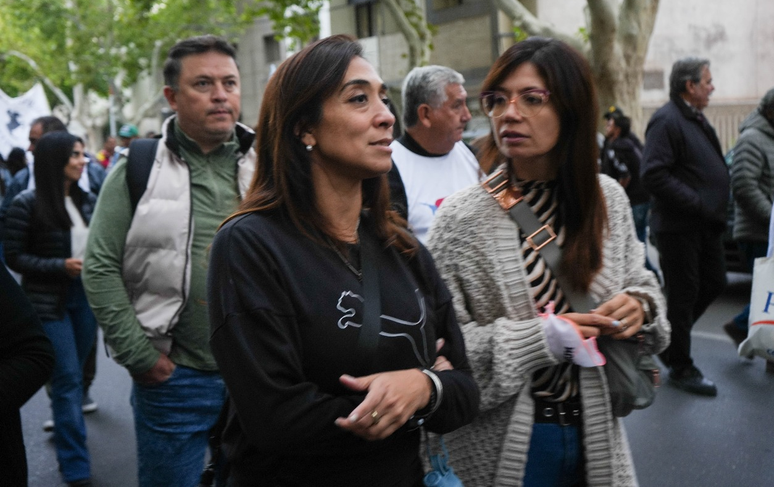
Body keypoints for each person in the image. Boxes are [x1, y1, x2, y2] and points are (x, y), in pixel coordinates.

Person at [207, 34, 479, 486]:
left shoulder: (404, 249)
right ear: (304, 128)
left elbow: (465, 392)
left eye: (384, 99)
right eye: (359, 99)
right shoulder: (249, 246)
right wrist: (417, 391)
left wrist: (423, 388)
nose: (386, 116)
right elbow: (277, 419)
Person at [428, 37, 669, 487]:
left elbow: (644, 284)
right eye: (497, 100)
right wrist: (543, 338)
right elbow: (443, 351)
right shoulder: (459, 218)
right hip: (504, 442)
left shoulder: (608, 201)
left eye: (532, 99)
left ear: (571, 109)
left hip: (597, 431)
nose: (509, 113)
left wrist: (641, 305)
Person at [82, 35, 256, 487]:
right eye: (203, 83)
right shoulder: (137, 167)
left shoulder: (268, 164)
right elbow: (99, 266)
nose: (221, 94)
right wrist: (141, 358)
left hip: (258, 379)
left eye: (229, 83)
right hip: (175, 382)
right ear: (172, 97)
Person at [3, 131, 97, 487]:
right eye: (75, 154)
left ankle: (71, 446)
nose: (82, 160)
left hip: (85, 301)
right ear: (54, 159)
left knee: (76, 379)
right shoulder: (26, 204)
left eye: (83, 154)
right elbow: (14, 257)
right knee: (68, 380)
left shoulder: (87, 199)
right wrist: (60, 266)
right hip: (47, 304)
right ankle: (76, 467)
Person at [641, 57, 729, 397]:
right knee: (683, 294)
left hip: (703, 227)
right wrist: (697, 202)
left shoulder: (693, 117)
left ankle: (668, 340)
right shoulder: (666, 120)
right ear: (689, 86)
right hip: (680, 227)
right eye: (707, 81)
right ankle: (680, 364)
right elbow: (653, 174)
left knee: (715, 282)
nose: (712, 86)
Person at [723, 86, 774, 349]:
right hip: (759, 233)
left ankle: (765, 344)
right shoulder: (752, 139)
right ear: (772, 112)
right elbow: (743, 187)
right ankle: (742, 327)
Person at [386, 65, 481, 242]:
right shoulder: (389, 170)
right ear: (425, 115)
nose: (467, 116)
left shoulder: (476, 158)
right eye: (457, 106)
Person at [0, 263, 55, 487]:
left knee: (71, 378)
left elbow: (34, 354)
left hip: (65, 297)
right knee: (69, 380)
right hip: (50, 299)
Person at [601, 106, 655, 273]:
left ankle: (648, 274)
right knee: (638, 241)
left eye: (609, 124)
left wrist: (615, 195)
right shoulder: (631, 141)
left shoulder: (618, 146)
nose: (606, 127)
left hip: (635, 200)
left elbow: (625, 175)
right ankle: (650, 273)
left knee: (634, 244)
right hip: (643, 198)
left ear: (617, 128)